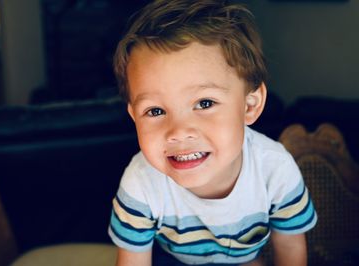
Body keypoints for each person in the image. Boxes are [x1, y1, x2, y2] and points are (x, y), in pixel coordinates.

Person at [108, 0, 317, 265]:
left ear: (249, 106)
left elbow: (290, 248)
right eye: (155, 111)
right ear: (134, 116)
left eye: (204, 103)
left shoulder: (275, 169)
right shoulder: (141, 183)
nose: (179, 132)